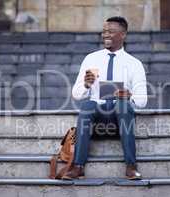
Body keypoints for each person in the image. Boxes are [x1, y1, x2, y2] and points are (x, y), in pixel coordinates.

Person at [62, 16, 147, 180]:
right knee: (87, 106)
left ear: (123, 35)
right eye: (104, 31)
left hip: (120, 121)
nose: (106, 35)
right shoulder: (91, 59)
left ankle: (131, 165)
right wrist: (86, 85)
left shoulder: (134, 64)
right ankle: (78, 166)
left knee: (123, 105)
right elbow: (76, 94)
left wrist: (130, 95)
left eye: (111, 32)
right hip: (96, 121)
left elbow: (142, 101)